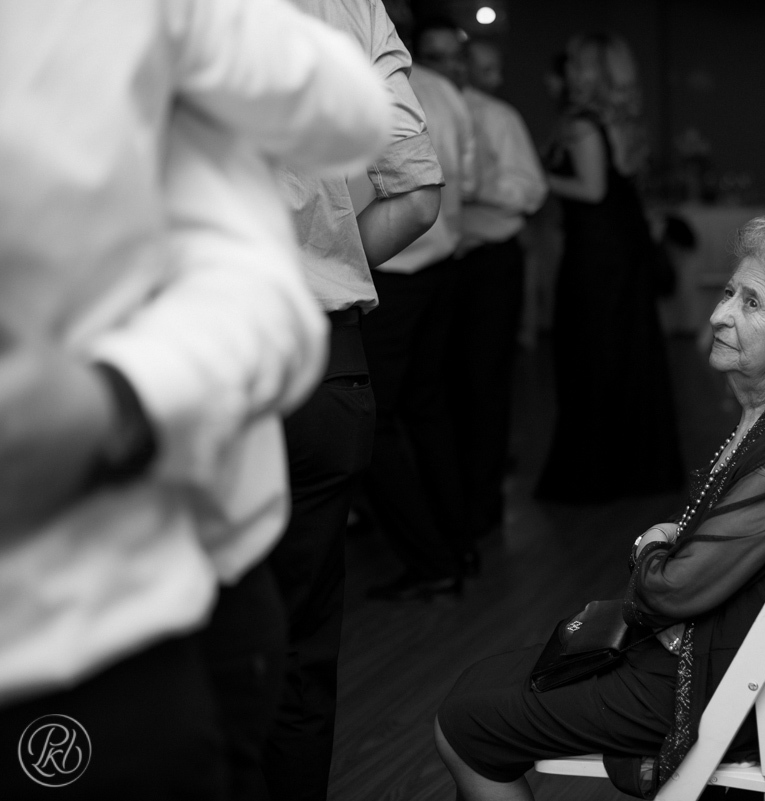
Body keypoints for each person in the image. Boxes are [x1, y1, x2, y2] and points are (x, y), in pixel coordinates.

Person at [0, 0, 393, 796]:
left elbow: (357, 119)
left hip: (97, 618)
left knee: (284, 655)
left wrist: (115, 400)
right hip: (290, 403)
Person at [436, 214, 765, 800]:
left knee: (465, 721)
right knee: (486, 684)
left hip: (728, 687)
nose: (720, 314)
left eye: (752, 304)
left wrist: (650, 545)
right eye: (730, 292)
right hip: (754, 661)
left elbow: (672, 591)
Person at [260, 1, 443, 799]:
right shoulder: (351, 7)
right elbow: (418, 196)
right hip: (325, 369)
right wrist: (323, 264)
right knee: (299, 651)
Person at [534, 33, 683, 503]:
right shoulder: (620, 121)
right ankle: (633, 469)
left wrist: (539, 177)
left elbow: (593, 190)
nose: (571, 70)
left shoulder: (582, 124)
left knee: (589, 355)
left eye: (578, 64)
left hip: (597, 255)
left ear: (590, 71)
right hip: (621, 251)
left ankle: (595, 474)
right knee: (623, 354)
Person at [360, 13, 478, 601]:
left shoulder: (364, 86)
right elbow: (469, 179)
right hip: (443, 268)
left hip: (391, 270)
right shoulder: (451, 97)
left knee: (372, 422)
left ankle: (429, 557)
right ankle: (459, 544)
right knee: (430, 411)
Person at [454, 39, 548, 540]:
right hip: (435, 265)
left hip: (489, 261)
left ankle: (482, 504)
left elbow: (530, 191)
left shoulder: (498, 117)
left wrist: (467, 187)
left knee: (486, 383)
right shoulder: (413, 105)